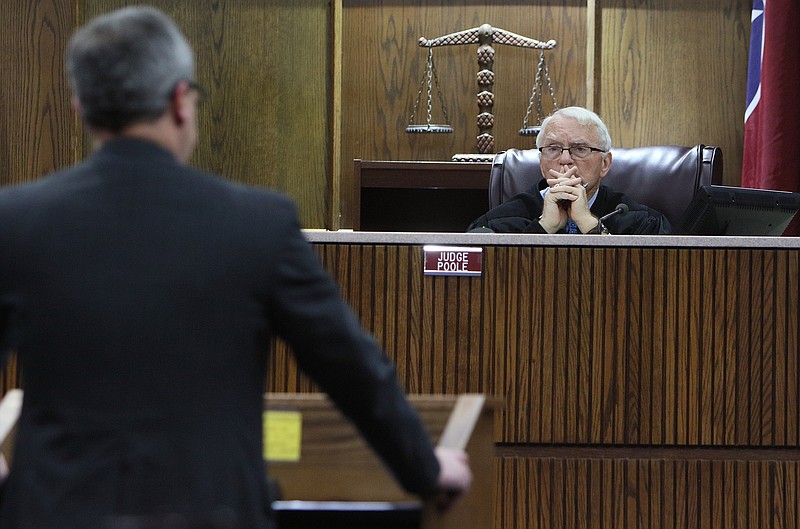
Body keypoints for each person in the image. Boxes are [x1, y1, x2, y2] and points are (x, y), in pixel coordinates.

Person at [0, 7, 471, 529]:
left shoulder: (15, 221)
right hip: (213, 511)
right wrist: (424, 467)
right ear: (181, 101)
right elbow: (350, 366)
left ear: (79, 107)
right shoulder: (258, 223)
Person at [468, 106, 671, 234]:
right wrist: (543, 227)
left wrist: (589, 223)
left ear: (605, 164)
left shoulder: (643, 223)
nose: (565, 159)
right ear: (541, 162)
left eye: (580, 149)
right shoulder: (497, 223)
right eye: (553, 149)